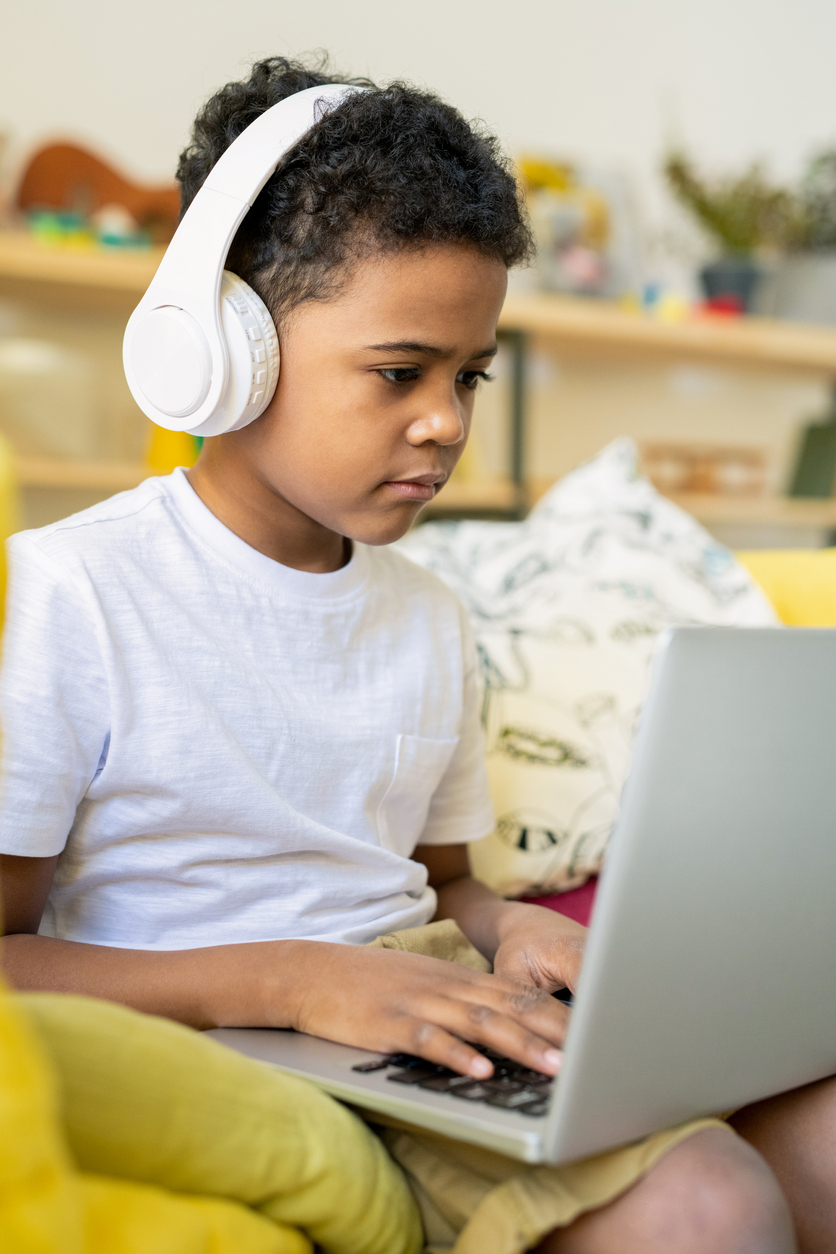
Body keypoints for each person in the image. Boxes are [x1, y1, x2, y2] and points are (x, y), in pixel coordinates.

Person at [0, 56, 833, 1254]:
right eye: (398, 372)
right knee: (709, 1205)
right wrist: (296, 981)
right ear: (221, 345)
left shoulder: (428, 614)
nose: (444, 420)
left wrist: (522, 932)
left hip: (432, 1004)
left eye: (469, 376)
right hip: (255, 1028)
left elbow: (445, 886)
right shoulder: (68, 592)